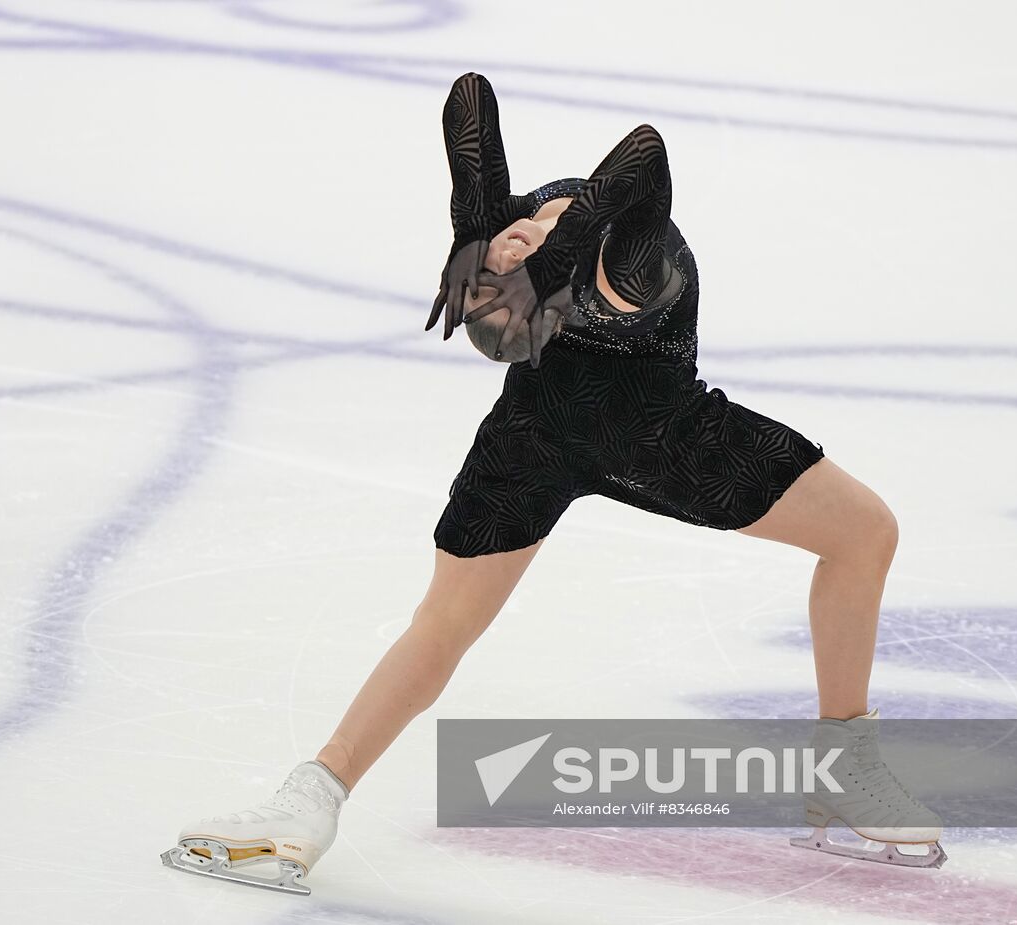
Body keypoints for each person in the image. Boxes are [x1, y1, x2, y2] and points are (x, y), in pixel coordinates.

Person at [162, 73, 944, 894]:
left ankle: (314, 796)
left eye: (500, 280)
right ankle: (308, 801)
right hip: (584, 430)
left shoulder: (583, 253)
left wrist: (513, 230)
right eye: (496, 281)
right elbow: (551, 129)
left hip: (624, 425)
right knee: (443, 624)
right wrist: (498, 223)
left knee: (865, 533)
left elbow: (621, 145)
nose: (501, 262)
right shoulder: (570, 249)